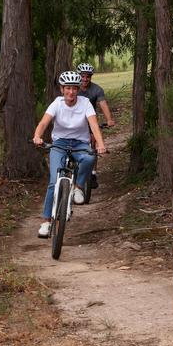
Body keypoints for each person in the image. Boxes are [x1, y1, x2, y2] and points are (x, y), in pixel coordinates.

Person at [32, 71, 108, 238]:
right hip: (59, 144)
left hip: (80, 143)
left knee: (90, 157)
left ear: (78, 89)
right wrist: (37, 136)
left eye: (74, 88)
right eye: (68, 88)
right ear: (62, 89)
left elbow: (94, 125)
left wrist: (101, 144)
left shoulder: (85, 103)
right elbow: (44, 122)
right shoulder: (57, 104)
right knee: (53, 183)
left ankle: (78, 187)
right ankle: (46, 221)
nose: (71, 92)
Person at [77, 62, 114, 190]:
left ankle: (93, 173)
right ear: (79, 76)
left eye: (88, 76)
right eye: (82, 76)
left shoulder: (96, 89)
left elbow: (102, 104)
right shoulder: (74, 89)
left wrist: (109, 119)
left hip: (90, 121)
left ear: (91, 77)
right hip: (76, 122)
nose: (85, 79)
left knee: (93, 145)